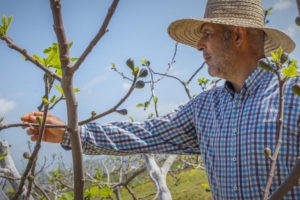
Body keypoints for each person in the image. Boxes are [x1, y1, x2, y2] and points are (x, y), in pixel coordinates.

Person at [21, 0, 299, 199]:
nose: (200, 45)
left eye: (207, 34)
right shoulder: (204, 109)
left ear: (237, 35)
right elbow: (145, 134)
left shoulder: (294, 96)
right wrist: (71, 133)